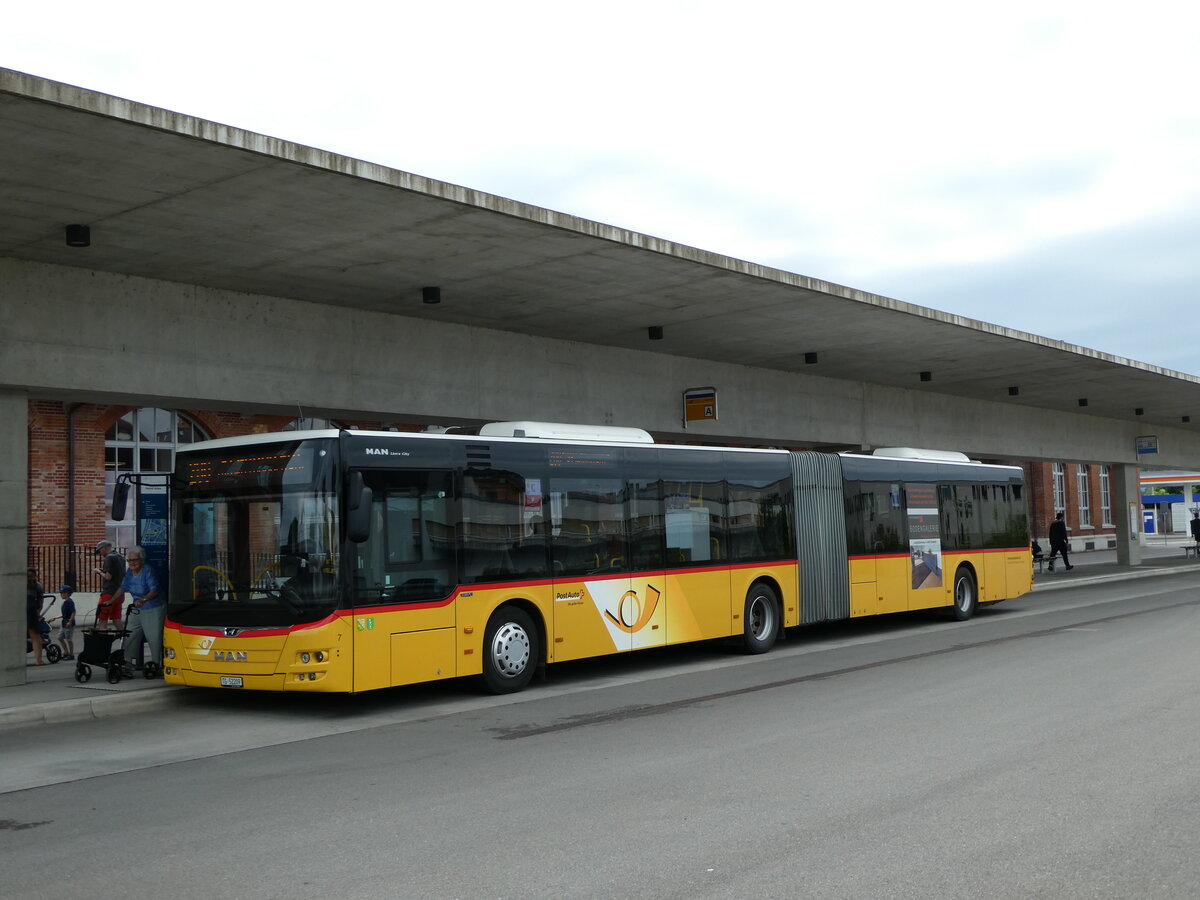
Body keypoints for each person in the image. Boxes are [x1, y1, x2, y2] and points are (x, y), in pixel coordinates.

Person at [110, 546, 164, 676]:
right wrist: (111, 600)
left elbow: (154, 590)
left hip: (152, 608)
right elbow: (123, 587)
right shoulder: (129, 572)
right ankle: (127, 662)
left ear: (142, 560)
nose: (132, 563)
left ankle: (157, 664)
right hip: (137, 608)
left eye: (135, 560)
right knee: (130, 634)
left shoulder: (147, 571)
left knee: (154, 637)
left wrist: (143, 600)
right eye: (129, 560)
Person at [94, 539, 126, 631]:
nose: (100, 553)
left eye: (100, 550)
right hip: (119, 594)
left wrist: (99, 572)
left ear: (105, 548)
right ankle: (125, 642)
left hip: (108, 594)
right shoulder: (121, 557)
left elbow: (108, 577)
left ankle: (103, 644)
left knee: (102, 621)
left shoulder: (109, 557)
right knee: (117, 619)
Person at [26, 568, 46, 665]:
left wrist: (38, 612)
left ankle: (38, 660)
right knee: (36, 637)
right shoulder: (37, 586)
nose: (30, 578)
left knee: (35, 636)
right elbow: (40, 602)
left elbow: (40, 601)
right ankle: (39, 660)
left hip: (26, 610)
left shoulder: (37, 586)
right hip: (29, 611)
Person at [57, 584, 77, 660]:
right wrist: (56, 617)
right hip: (64, 623)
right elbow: (64, 614)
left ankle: (71, 654)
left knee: (69, 639)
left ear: (67, 593)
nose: (61, 595)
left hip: (68, 623)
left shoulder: (69, 602)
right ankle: (66, 652)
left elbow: (73, 612)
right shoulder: (65, 602)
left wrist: (70, 621)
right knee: (60, 637)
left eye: (62, 593)